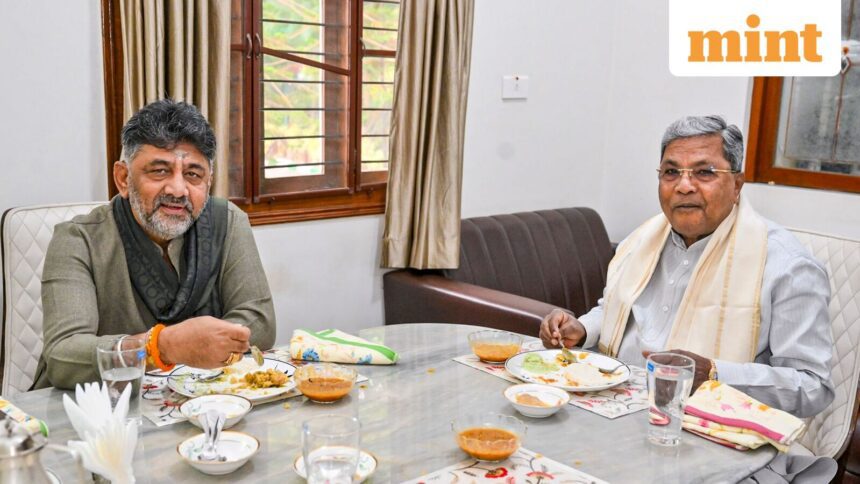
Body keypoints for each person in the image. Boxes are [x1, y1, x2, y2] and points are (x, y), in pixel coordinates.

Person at [539, 115, 834, 420]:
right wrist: (584, 328)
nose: (683, 186)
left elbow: (813, 386)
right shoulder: (641, 241)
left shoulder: (787, 267)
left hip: (714, 432)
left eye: (704, 172)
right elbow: (619, 308)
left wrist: (716, 375)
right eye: (671, 172)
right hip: (612, 407)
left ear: (736, 185)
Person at [33, 99, 276, 389]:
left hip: (203, 399)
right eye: (159, 171)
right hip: (103, 411)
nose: (177, 189)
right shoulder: (77, 240)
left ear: (208, 183)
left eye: (193, 174)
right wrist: (161, 346)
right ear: (123, 179)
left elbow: (260, 324)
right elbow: (63, 356)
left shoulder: (228, 222)